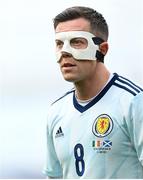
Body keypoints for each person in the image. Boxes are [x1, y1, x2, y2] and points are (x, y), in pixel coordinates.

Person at [43, 6, 143, 178]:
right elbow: (54, 176)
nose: (65, 52)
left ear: (102, 50)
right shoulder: (56, 112)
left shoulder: (134, 102)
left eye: (77, 42)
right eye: (59, 43)